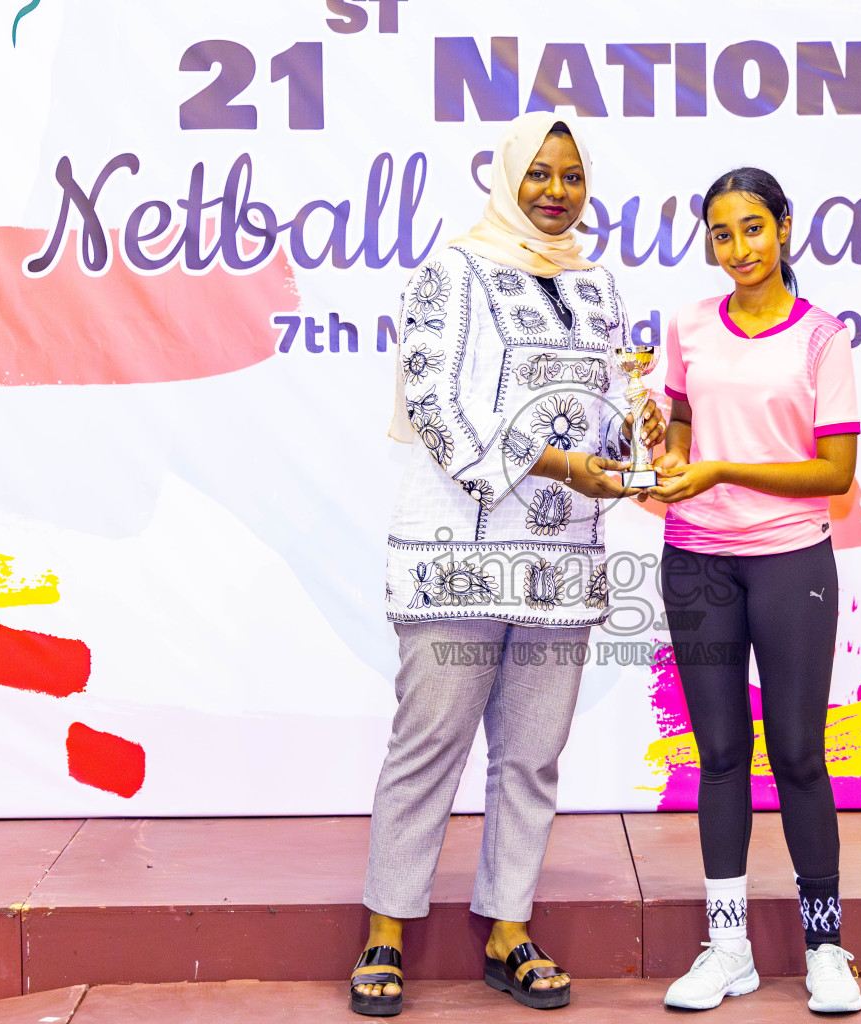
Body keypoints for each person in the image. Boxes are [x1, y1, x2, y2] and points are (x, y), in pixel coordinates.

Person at [350, 110, 665, 1017]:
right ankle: (384, 930)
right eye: (540, 173)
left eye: (570, 176)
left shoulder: (600, 285)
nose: (556, 192)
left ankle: (507, 929)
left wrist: (634, 432)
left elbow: (608, 402)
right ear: (507, 175)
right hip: (458, 553)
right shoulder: (452, 270)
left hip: (562, 558)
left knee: (531, 757)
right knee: (430, 745)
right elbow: (434, 406)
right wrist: (550, 461)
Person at [648, 167, 861, 1015]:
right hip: (696, 562)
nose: (736, 249)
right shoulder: (689, 326)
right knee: (722, 757)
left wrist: (723, 469)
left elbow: (836, 473)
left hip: (789, 562)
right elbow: (676, 428)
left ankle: (825, 945)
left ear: (784, 229)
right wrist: (665, 467)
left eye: (752, 229)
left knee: (801, 758)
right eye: (720, 233)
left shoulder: (822, 338)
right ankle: (727, 946)